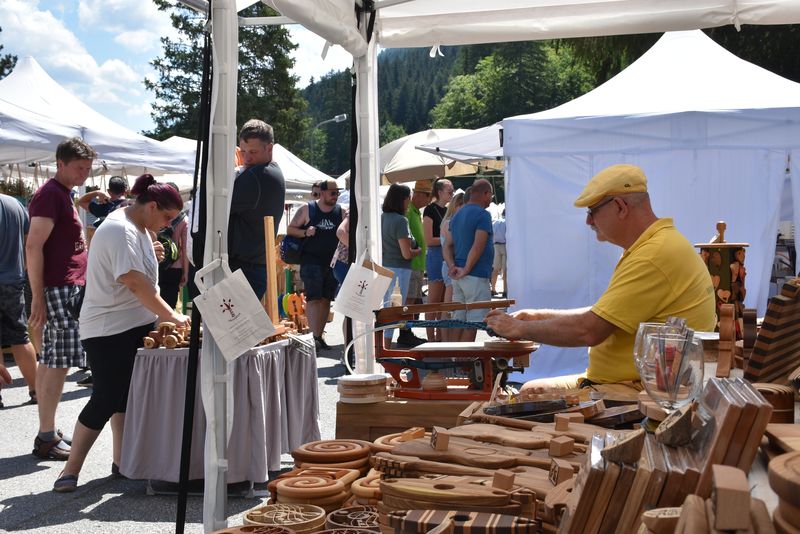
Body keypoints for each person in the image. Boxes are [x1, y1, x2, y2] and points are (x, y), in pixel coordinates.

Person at [486, 164, 716, 398]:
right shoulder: (654, 245)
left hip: (643, 390)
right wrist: (537, 317)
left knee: (527, 398)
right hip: (634, 383)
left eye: (592, 211)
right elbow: (605, 314)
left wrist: (520, 328)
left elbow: (590, 330)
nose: (588, 221)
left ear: (620, 206)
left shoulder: (653, 255)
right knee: (530, 392)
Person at [52, 174, 190, 493]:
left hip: (130, 324)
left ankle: (122, 463)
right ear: (152, 206)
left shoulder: (138, 227)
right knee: (106, 397)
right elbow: (134, 282)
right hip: (107, 328)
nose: (168, 224)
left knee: (125, 398)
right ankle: (70, 470)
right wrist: (170, 315)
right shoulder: (118, 228)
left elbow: (138, 275)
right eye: (167, 217)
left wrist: (152, 254)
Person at [27, 137, 96, 461]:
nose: (84, 174)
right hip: (59, 289)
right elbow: (33, 246)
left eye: (87, 168)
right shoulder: (50, 195)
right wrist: (38, 295)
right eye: (79, 168)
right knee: (58, 363)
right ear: (61, 164)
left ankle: (47, 431)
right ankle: (45, 436)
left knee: (51, 361)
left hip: (64, 287)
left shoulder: (62, 194)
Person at [229, 119, 286, 300]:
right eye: (242, 151)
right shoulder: (268, 171)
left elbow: (218, 206)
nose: (246, 158)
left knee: (231, 328)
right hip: (252, 267)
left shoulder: (257, 175)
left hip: (246, 269)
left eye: (253, 152)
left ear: (269, 148)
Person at [287, 178, 344, 351]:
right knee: (313, 299)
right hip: (311, 261)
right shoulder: (308, 209)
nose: (335, 196)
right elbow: (290, 229)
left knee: (326, 299)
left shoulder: (341, 211)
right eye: (333, 193)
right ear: (323, 192)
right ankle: (312, 338)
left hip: (332, 263)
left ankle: (319, 336)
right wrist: (305, 231)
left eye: (337, 193)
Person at [445, 179, 494, 342]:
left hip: (458, 276)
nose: (491, 200)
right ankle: (465, 362)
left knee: (458, 319)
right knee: (473, 322)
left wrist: (452, 266)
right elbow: (478, 246)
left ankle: (454, 360)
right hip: (475, 275)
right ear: (485, 193)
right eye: (491, 196)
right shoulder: (483, 215)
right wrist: (466, 268)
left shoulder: (457, 214)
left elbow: (447, 246)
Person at [0, 194, 38, 407]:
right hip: (14, 279)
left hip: (12, 276)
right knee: (20, 337)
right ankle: (35, 391)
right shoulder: (15, 204)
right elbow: (28, 240)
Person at [380, 183, 422, 346]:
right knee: (395, 310)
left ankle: (383, 346)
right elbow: (406, 253)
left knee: (386, 308)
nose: (410, 202)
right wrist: (418, 251)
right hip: (399, 269)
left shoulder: (381, 217)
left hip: (384, 267)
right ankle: (386, 348)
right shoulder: (400, 221)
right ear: (403, 200)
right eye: (409, 198)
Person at [396, 180, 431, 347]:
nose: (429, 200)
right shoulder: (410, 212)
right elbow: (406, 236)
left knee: (411, 302)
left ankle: (407, 332)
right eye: (427, 195)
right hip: (411, 263)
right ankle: (404, 333)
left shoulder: (415, 211)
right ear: (417, 195)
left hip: (416, 264)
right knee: (408, 302)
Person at [422, 178, 454, 341]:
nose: (452, 194)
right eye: (450, 191)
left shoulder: (448, 210)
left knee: (443, 301)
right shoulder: (429, 210)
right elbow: (428, 239)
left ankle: (440, 337)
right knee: (433, 301)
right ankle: (430, 338)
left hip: (445, 255)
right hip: (435, 255)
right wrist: (447, 240)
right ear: (440, 192)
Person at [157, 184, 189, 310]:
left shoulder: (156, 213)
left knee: (154, 303)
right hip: (174, 267)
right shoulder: (183, 219)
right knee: (169, 305)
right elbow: (185, 248)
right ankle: (167, 327)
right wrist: (185, 272)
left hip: (156, 262)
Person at [439, 191, 465, 342]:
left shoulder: (448, 221)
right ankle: (445, 342)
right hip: (450, 265)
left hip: (449, 265)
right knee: (448, 307)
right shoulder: (450, 222)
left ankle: (447, 341)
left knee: (450, 306)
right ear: (457, 205)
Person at [491, 209, 507, 297]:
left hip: (496, 246)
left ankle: (493, 289)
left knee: (495, 269)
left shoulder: (495, 222)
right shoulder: (507, 222)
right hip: (505, 246)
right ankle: (505, 290)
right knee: (505, 269)